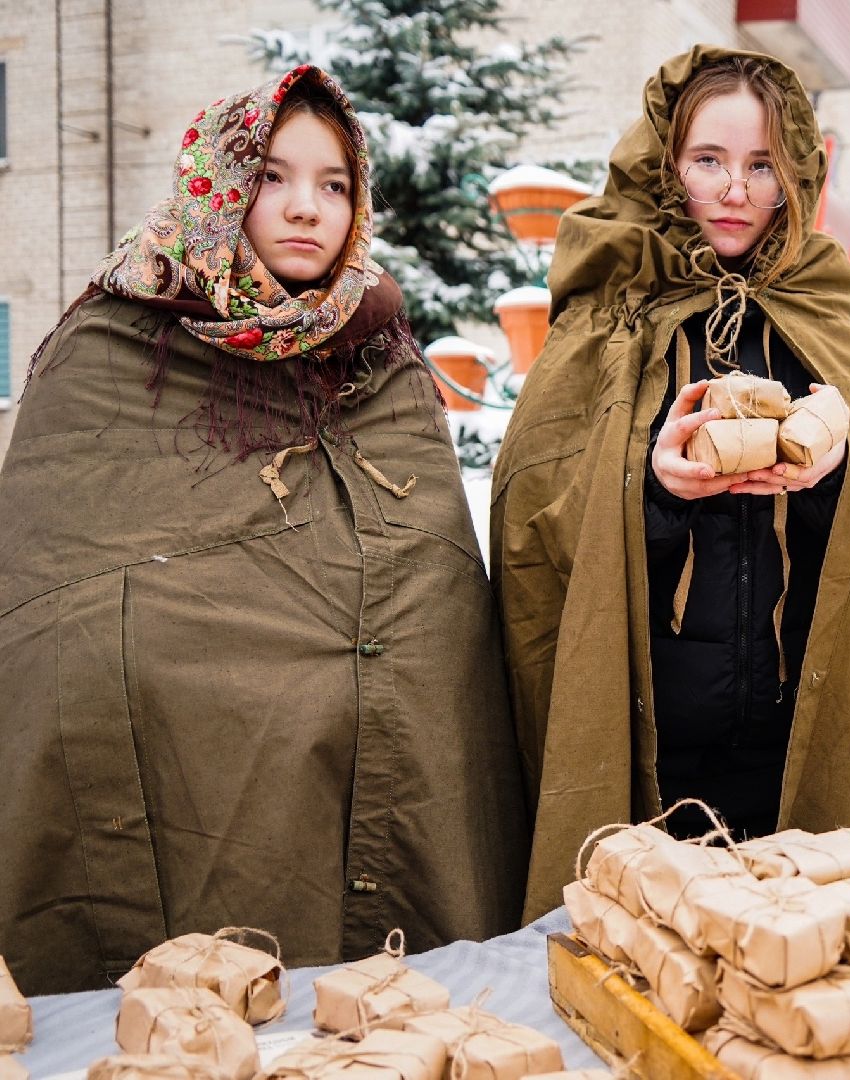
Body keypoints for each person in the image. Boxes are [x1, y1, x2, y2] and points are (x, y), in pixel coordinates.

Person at [0, 67, 527, 994]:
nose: (304, 209)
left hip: (368, 782)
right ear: (217, 185)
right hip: (194, 784)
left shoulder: (384, 358)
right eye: (272, 178)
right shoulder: (114, 347)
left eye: (333, 186)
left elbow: (436, 591)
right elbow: (58, 594)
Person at [490, 46, 850, 917]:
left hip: (798, 729)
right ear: (665, 165)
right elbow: (538, 518)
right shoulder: (611, 306)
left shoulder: (825, 301)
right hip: (651, 733)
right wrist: (654, 487)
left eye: (760, 166)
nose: (736, 190)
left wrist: (838, 468)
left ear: (793, 177)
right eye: (708, 160)